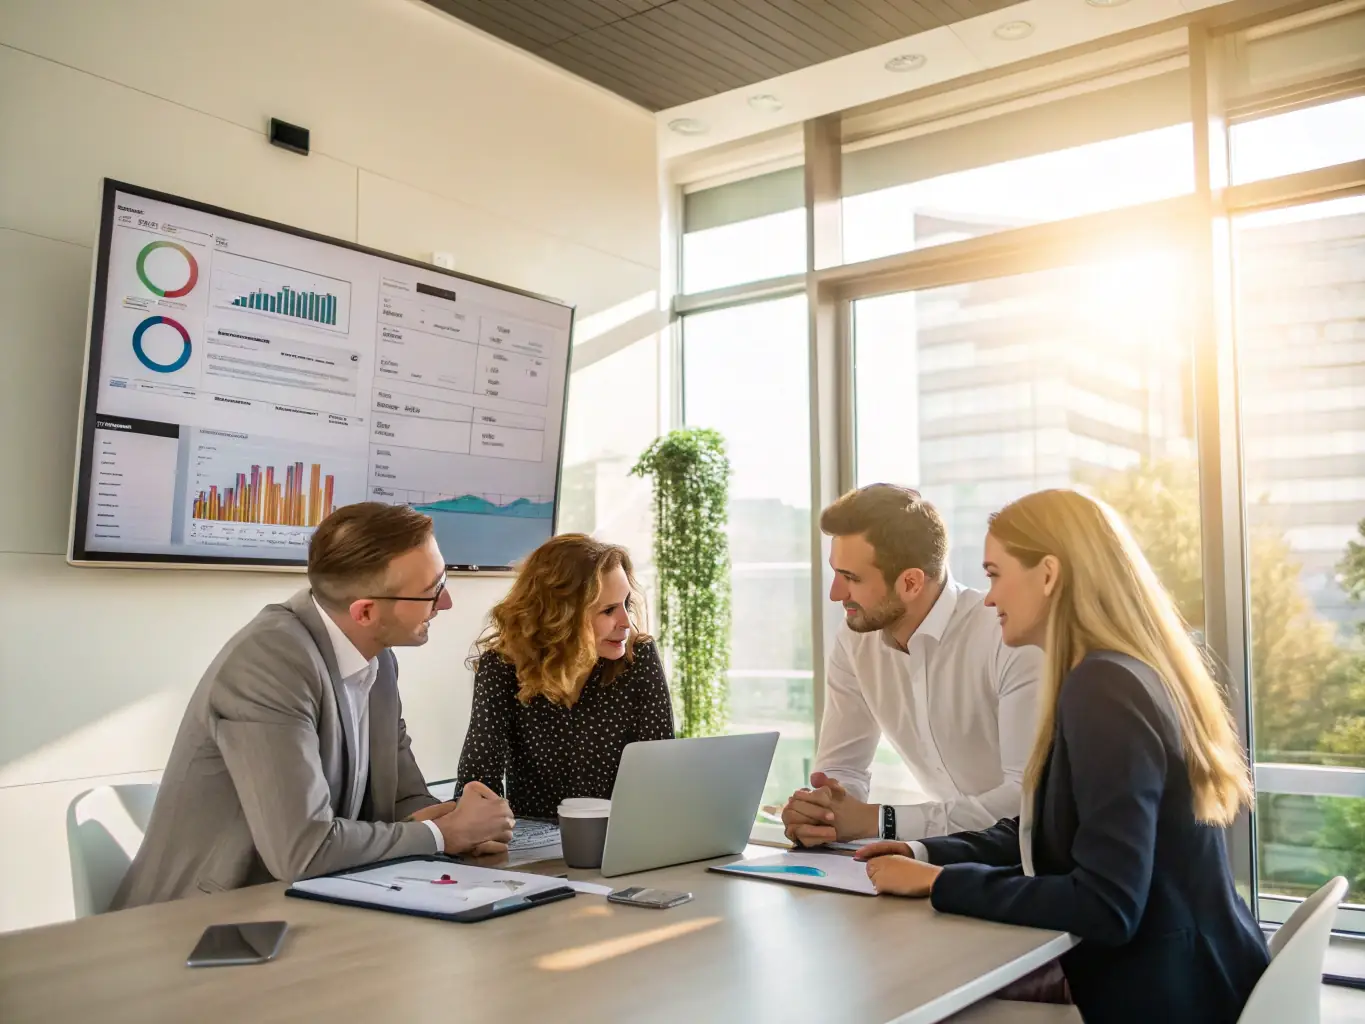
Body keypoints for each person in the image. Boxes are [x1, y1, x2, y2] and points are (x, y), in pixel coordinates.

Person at [854, 489, 1270, 1024]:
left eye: (995, 574)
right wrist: (925, 852)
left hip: (1169, 1000)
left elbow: (1106, 904)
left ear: (1048, 574)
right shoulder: (1121, 673)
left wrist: (939, 884)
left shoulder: (1103, 688)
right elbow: (1052, 834)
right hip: (1198, 976)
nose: (988, 599)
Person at [113, 503, 515, 909]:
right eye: (432, 591)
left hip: (308, 906)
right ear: (365, 612)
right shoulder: (269, 663)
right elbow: (302, 851)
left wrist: (460, 823)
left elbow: (402, 800)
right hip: (200, 921)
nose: (446, 602)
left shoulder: (378, 660)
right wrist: (443, 835)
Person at [781, 484, 1043, 847]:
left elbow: (1025, 800)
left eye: (852, 578)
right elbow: (842, 769)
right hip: (948, 855)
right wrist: (821, 813)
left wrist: (881, 821)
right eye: (836, 574)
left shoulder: (1008, 637)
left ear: (910, 582)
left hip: (1029, 860)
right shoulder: (855, 640)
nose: (836, 594)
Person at [456, 534, 674, 818]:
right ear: (561, 616)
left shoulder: (639, 657)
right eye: (608, 610)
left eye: (627, 604)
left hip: (623, 836)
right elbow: (477, 785)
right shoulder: (501, 668)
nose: (626, 623)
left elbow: (660, 777)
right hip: (533, 839)